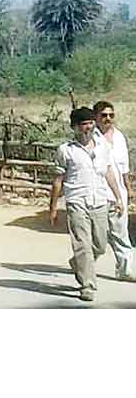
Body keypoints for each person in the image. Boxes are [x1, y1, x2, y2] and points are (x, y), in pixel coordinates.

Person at [49, 107, 124, 302]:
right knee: (82, 244)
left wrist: (117, 197)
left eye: (91, 123)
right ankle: (87, 285)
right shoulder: (66, 150)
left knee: (99, 244)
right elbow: (58, 180)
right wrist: (54, 207)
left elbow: (108, 172)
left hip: (99, 199)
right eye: (83, 124)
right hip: (76, 200)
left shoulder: (102, 146)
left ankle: (77, 263)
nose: (88, 128)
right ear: (74, 127)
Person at [93, 100, 135, 280]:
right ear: (96, 117)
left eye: (111, 115)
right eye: (103, 115)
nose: (107, 118)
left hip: (118, 193)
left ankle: (125, 269)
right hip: (97, 192)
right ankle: (82, 262)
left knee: (121, 232)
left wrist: (129, 188)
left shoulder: (119, 137)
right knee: (97, 236)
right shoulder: (90, 137)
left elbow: (124, 166)